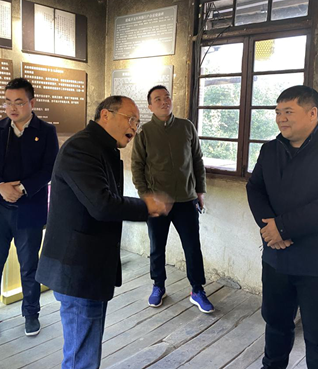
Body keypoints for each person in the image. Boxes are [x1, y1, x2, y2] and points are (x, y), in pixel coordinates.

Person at [36, 96, 171, 369]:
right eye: (130, 119)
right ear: (105, 115)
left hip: (90, 268)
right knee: (81, 357)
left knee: (86, 351)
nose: (134, 128)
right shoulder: (81, 148)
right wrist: (147, 206)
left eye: (137, 123)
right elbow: (102, 205)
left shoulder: (101, 148)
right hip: (77, 268)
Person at [246, 86, 318, 369]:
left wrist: (283, 228)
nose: (280, 118)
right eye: (277, 112)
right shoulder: (270, 149)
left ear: (312, 114)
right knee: (275, 326)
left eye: (288, 112)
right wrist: (270, 228)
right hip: (276, 258)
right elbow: (255, 188)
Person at [0, 77, 58, 337]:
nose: (12, 108)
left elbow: (49, 169)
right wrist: (0, 186)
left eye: (19, 102)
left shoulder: (46, 131)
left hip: (29, 209)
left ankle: (31, 314)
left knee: (29, 267)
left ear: (32, 103)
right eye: (8, 102)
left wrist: (21, 189)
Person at [131, 85, 213, 312]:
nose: (164, 101)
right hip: (157, 201)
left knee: (192, 247)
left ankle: (197, 290)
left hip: (186, 199)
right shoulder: (144, 132)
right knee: (157, 246)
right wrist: (146, 196)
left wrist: (200, 190)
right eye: (157, 99)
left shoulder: (186, 127)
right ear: (150, 106)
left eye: (166, 97)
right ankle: (158, 285)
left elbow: (197, 160)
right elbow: (137, 166)